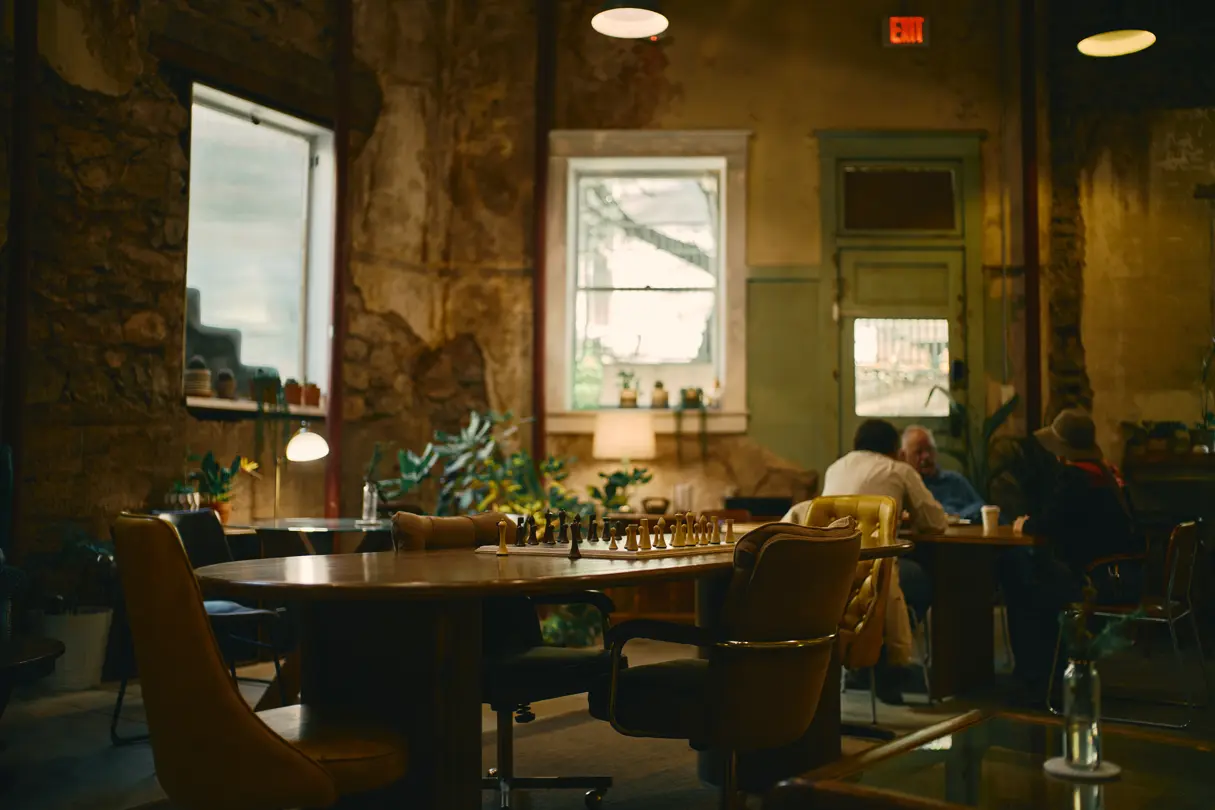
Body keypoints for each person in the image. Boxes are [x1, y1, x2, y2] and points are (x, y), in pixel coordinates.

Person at [786, 419, 949, 704]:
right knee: (921, 581)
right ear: (894, 449)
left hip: (830, 576)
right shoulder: (898, 470)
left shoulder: (836, 468)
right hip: (873, 574)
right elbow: (935, 522)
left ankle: (862, 669)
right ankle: (887, 670)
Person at [998, 408, 1141, 704]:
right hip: (1125, 577)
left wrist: (1024, 523)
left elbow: (1047, 523)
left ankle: (1035, 680)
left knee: (1021, 585)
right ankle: (1046, 674)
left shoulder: (1075, 478)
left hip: (1095, 583)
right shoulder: (1108, 474)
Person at [900, 425, 985, 523]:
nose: (926, 456)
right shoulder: (903, 487)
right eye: (919, 452)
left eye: (930, 450)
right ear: (903, 456)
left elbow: (983, 508)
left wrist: (956, 517)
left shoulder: (955, 481)